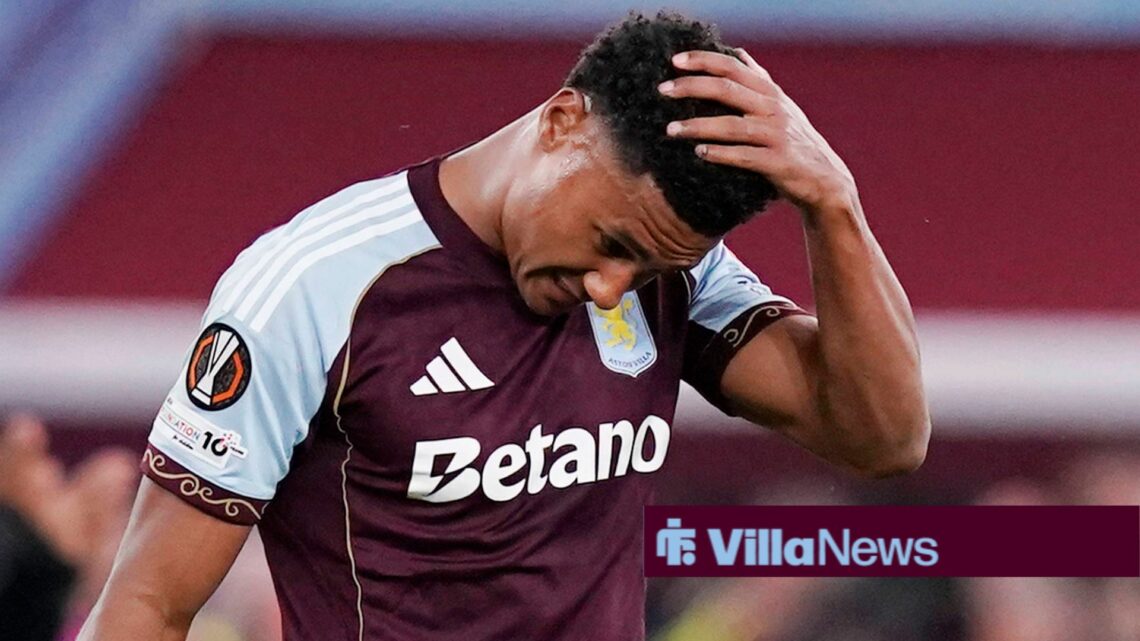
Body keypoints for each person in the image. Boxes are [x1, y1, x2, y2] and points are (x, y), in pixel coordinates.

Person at [79, 11, 929, 641]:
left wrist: (835, 206)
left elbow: (882, 437)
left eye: (648, 270)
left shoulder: (676, 269)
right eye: (612, 244)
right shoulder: (316, 286)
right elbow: (149, 604)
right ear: (562, 124)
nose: (611, 289)